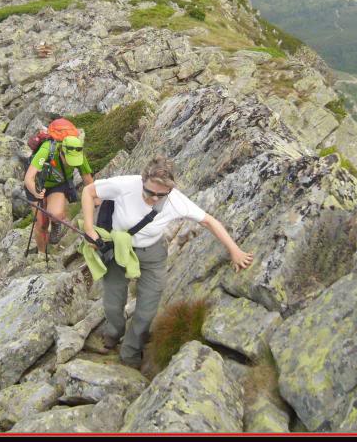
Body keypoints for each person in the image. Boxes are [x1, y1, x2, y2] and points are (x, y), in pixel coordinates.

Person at [80, 155, 254, 368]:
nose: (154, 198)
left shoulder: (175, 200)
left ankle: (130, 353)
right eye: (150, 192)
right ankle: (114, 332)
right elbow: (89, 192)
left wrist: (235, 251)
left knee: (146, 310)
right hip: (117, 249)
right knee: (113, 303)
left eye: (161, 195)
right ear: (143, 181)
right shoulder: (125, 185)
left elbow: (209, 221)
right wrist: (89, 229)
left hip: (152, 254)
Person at [24, 134, 95, 255]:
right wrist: (36, 192)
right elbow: (28, 178)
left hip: (58, 184)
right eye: (69, 160)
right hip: (37, 184)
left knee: (55, 214)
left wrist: (97, 202)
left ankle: (56, 224)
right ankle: (42, 254)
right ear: (61, 153)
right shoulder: (46, 150)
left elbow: (89, 183)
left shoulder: (79, 156)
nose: (71, 164)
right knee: (41, 224)